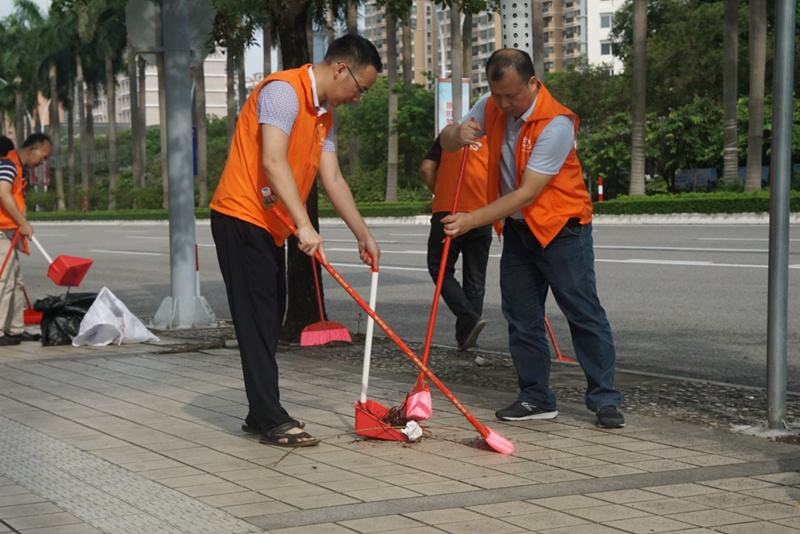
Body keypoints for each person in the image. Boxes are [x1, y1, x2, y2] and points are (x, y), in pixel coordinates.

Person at [210, 34, 383, 447]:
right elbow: (272, 160)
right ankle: (271, 418)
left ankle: (259, 410)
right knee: (257, 318)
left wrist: (364, 234)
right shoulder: (284, 93)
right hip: (241, 215)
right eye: (360, 88)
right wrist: (305, 225)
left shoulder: (323, 115)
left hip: (270, 224)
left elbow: (333, 178)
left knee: (270, 317)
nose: (358, 98)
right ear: (341, 69)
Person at [439, 48, 624, 429]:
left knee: (582, 311)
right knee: (521, 318)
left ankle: (605, 399)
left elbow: (526, 193)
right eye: (498, 95)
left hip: (562, 228)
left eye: (513, 96)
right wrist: (457, 134)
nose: (505, 104)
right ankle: (536, 397)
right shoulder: (489, 105)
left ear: (533, 83)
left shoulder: (556, 123)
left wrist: (472, 219)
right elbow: (446, 143)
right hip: (520, 232)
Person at [420, 136, 491, 350]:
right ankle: (466, 337)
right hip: (482, 213)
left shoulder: (449, 136)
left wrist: (438, 191)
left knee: (439, 267)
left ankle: (469, 319)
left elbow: (426, 168)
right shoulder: (493, 138)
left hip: (448, 210)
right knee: (475, 278)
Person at [0, 133, 51, 346]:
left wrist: (20, 224)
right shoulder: (8, 165)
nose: (43, 161)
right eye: (43, 156)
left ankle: (15, 329)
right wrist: (22, 222)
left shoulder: (17, 167)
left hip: (10, 232)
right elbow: (2, 193)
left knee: (16, 281)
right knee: (4, 281)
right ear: (32, 150)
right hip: (2, 232)